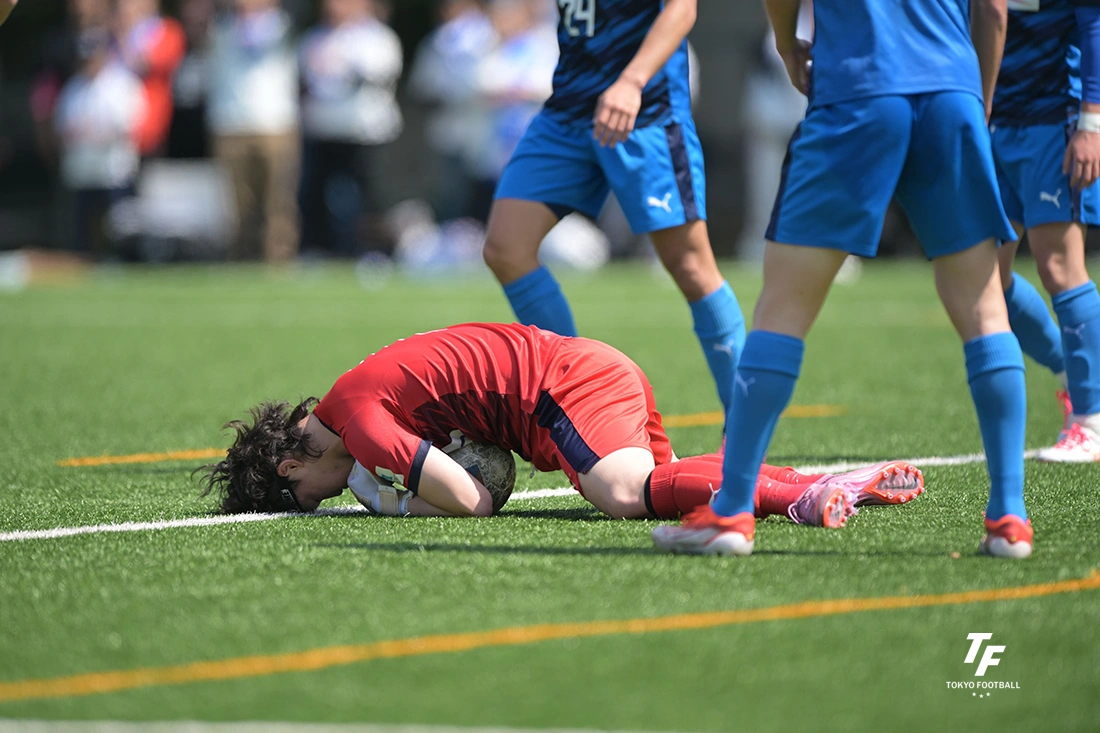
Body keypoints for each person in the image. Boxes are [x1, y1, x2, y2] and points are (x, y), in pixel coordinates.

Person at [652, 0, 1034, 558]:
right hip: (952, 94)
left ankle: (730, 512)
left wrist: (787, 44)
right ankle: (1009, 518)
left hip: (858, 90)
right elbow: (995, 11)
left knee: (782, 309)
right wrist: (977, 98)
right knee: (985, 309)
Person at [199, 323, 923, 525]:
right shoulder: (348, 400)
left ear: (292, 466)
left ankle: (801, 494)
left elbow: (472, 499)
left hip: (563, 388)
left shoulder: (356, 420)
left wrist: (388, 500)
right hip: (579, 371)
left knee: (623, 494)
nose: (325, 497)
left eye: (306, 497)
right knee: (662, 488)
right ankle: (810, 481)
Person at [481, 0, 746, 416]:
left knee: (691, 265)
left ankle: (744, 425)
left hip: (646, 110)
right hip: (567, 110)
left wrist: (631, 82)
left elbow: (682, 9)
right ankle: (578, 403)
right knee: (505, 249)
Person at [991, 0, 1100, 462]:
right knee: (985, 279)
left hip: (1054, 118)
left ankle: (1092, 422)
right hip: (994, 121)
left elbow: (1094, 22)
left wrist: (1091, 123)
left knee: (1058, 265)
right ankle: (1072, 374)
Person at [298, 0, 403, 256]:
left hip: (366, 133)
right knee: (316, 195)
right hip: (323, 130)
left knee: (369, 197)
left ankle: (372, 251)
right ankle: (321, 250)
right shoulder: (316, 37)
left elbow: (379, 75)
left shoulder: (377, 37)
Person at [206, 0, 300, 262]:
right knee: (238, 205)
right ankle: (242, 260)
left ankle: (279, 260)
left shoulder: (284, 26)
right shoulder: (222, 27)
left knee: (278, 201)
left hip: (275, 124)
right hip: (230, 125)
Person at [53, 26, 147, 255]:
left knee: (120, 228)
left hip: (114, 170)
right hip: (83, 172)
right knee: (83, 229)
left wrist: (95, 133)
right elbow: (62, 128)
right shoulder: (73, 88)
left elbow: (130, 124)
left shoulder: (122, 83)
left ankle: (122, 261)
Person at [115, 0, 186, 156]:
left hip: (150, 128)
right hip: (115, 134)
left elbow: (145, 64)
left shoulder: (167, 30)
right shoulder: (111, 34)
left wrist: (124, 33)